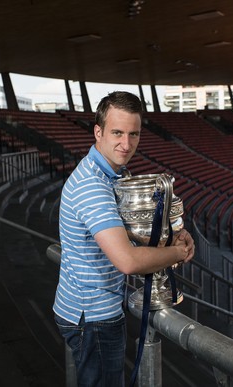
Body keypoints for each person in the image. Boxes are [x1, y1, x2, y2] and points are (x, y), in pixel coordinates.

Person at [53, 91, 195, 387]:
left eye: (134, 134)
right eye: (117, 133)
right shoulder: (93, 186)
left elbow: (131, 234)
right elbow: (127, 261)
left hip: (90, 310)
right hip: (93, 317)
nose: (126, 144)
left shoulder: (113, 174)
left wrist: (174, 237)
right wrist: (178, 253)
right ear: (98, 132)